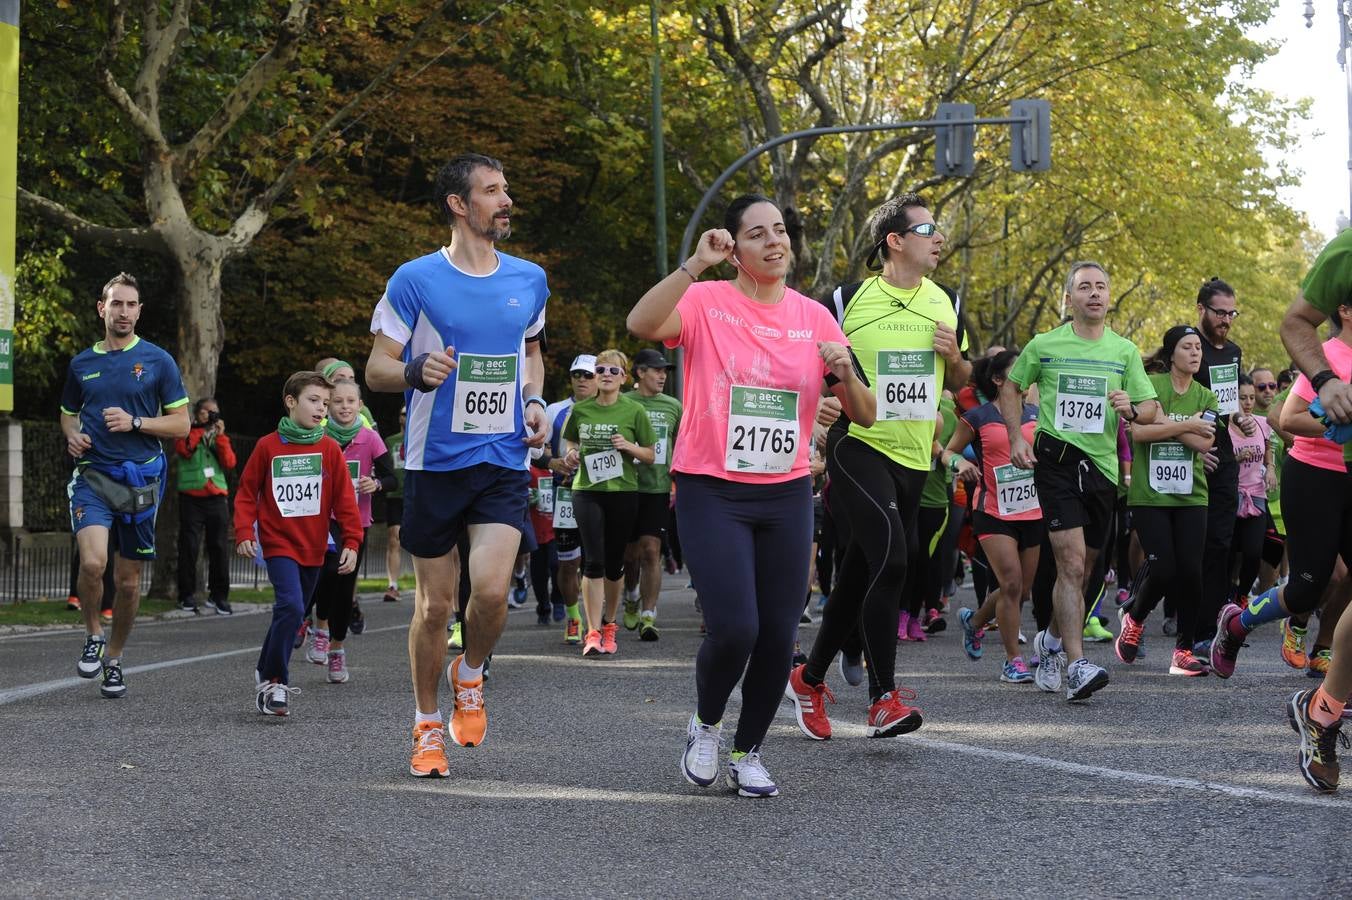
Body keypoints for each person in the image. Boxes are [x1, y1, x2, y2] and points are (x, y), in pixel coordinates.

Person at [628, 193, 874, 797]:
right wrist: (694, 265)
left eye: (781, 231)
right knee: (735, 627)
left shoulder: (816, 317)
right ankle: (706, 726)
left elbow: (865, 414)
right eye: (758, 233)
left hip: (786, 492)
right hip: (713, 488)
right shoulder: (708, 301)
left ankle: (749, 750)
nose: (775, 242)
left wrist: (843, 369)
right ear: (734, 249)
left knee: (777, 631)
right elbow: (641, 324)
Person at [366, 153, 549, 778]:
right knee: (435, 607)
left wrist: (531, 402)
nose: (506, 201)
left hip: (501, 456)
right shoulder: (415, 279)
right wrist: (417, 371)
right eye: (493, 191)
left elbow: (531, 352)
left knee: (493, 593)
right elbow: (376, 369)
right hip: (433, 463)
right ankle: (424, 725)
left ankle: (469, 672)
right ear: (458, 204)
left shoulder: (529, 279)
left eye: (506, 189)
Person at [787, 192, 969, 743]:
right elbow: (804, 367)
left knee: (863, 574)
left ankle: (809, 678)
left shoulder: (949, 303)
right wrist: (815, 407)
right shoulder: (844, 300)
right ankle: (882, 698)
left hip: (915, 460)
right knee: (895, 558)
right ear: (895, 240)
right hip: (856, 447)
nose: (939, 239)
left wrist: (955, 357)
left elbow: (961, 385)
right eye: (927, 229)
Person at [1000, 261, 1159, 702]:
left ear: (1109, 297)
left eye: (1101, 286)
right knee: (1069, 564)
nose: (1094, 293)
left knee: (1088, 571)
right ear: (1069, 298)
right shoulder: (1045, 344)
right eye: (1084, 287)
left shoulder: (1124, 351)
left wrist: (1130, 407)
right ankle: (1076, 664)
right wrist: (1016, 437)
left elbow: (1149, 410)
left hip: (1103, 470)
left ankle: (1049, 640)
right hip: (1057, 462)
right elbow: (1011, 388)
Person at [62, 272, 190, 699]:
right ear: (102, 308)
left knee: (130, 581)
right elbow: (67, 411)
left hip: (140, 481)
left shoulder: (158, 361)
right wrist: (71, 434)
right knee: (94, 564)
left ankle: (114, 659)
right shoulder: (82, 363)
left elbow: (182, 423)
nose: (124, 312)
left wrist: (137, 422)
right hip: (94, 477)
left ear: (139, 311)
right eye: (117, 304)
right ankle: (94, 632)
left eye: (132, 305)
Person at [1270, 228, 1352, 792]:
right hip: (1317, 471)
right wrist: (1326, 385)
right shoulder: (1347, 251)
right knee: (1310, 586)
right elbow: (1295, 322)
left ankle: (1324, 708)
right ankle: (1325, 709)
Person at [233, 372, 362, 715]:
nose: (322, 408)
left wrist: (352, 539)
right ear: (291, 402)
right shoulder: (267, 446)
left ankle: (264, 669)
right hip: (278, 544)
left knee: (290, 614)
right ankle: (276, 681)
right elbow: (247, 493)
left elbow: (344, 502)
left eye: (325, 402)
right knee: (290, 608)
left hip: (316, 548)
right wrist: (245, 531)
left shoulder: (330, 449)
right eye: (313, 400)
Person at [1113, 326, 1218, 676]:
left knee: (1191, 571)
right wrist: (1187, 424)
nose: (1195, 353)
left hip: (1192, 495)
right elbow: (1138, 433)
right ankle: (1135, 617)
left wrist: (1165, 423)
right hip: (1149, 494)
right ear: (1171, 353)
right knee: (1164, 568)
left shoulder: (1207, 396)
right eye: (1187, 347)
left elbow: (1206, 444)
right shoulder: (1149, 386)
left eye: (1198, 348)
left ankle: (1183, 652)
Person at [945, 350, 1042, 683]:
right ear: (998, 379)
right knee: (1011, 583)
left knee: (1022, 591)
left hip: (1032, 509)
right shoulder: (978, 417)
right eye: (1018, 371)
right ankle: (1013, 660)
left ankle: (975, 623)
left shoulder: (1037, 415)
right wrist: (959, 464)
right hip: (992, 510)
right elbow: (948, 450)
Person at [560, 349, 657, 656]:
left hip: (622, 491)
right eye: (600, 369)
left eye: (613, 371)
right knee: (593, 561)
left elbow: (651, 454)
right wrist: (571, 454)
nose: (605, 374)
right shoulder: (582, 410)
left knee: (615, 564)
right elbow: (571, 442)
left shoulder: (634, 411)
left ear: (623, 378)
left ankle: (610, 624)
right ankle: (592, 631)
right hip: (587, 489)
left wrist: (628, 446)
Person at [306, 379, 396, 683]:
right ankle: (320, 627)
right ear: (328, 406)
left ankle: (337, 650)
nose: (344, 407)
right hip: (322, 519)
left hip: (357, 521)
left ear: (360, 406)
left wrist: (377, 483)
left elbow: (392, 477)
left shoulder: (370, 439)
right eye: (338, 402)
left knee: (345, 586)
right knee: (327, 571)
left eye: (350, 402)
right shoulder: (316, 435)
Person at [1190, 279, 1255, 649]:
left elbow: (1224, 403)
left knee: (1219, 544)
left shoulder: (1232, 351)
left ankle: (1204, 633)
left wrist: (1239, 419)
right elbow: (1173, 402)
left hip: (1224, 456)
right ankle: (1138, 608)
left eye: (1232, 313)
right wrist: (1194, 447)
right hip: (1190, 457)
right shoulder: (1187, 346)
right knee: (1183, 550)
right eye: (1220, 312)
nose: (1227, 319)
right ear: (1201, 309)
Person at [621, 348, 683, 640]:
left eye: (665, 371)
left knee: (651, 551)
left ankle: (649, 615)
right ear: (640, 372)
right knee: (630, 556)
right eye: (657, 370)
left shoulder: (673, 405)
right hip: (626, 486)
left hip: (657, 488)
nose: (662, 376)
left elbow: (683, 444)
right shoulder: (623, 403)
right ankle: (631, 594)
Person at [544, 354, 598, 641]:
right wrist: (555, 463)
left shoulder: (611, 409)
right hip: (565, 494)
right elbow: (540, 449)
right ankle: (574, 617)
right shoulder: (555, 411)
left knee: (598, 560)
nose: (581, 380)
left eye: (588, 375)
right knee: (567, 562)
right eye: (577, 374)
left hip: (601, 494)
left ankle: (599, 620)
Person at [175, 397, 237, 615]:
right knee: (189, 547)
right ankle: (186, 595)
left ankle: (219, 596)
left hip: (217, 496)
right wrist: (200, 429)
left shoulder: (220, 436)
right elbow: (185, 450)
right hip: (191, 496)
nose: (211, 416)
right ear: (198, 413)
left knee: (219, 547)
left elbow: (229, 463)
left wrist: (219, 436)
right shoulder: (187, 432)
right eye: (207, 412)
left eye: (215, 412)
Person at [1228, 374, 1275, 610]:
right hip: (1231, 496)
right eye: (1241, 398)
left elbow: (1268, 448)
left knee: (1254, 552)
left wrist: (1271, 470)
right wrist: (1235, 458)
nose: (1247, 403)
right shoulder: (1223, 426)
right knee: (1228, 555)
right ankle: (1225, 597)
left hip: (1256, 495)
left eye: (1250, 398)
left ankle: (1242, 596)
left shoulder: (1260, 422)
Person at [383, 405, 407, 602]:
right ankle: (392, 585)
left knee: (423, 541)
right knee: (394, 539)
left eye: (409, 413)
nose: (406, 417)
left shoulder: (424, 439)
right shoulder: (390, 441)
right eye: (403, 414)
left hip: (418, 496)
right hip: (395, 497)